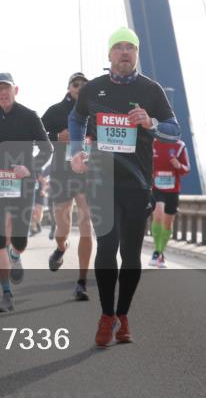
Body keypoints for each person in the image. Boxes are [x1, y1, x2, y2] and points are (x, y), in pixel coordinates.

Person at [68, 27, 179, 347]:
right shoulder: (93, 89)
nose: (125, 53)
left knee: (131, 254)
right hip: (102, 180)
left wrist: (151, 122)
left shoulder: (152, 90)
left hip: (138, 183)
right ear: (109, 54)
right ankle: (106, 315)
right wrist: (76, 150)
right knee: (107, 246)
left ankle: (124, 314)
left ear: (137, 54)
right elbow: (77, 119)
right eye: (118, 47)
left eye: (130, 47)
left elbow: (175, 129)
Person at [0, 73, 52, 313]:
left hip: (23, 182)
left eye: (7, 88)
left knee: (19, 239)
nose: (3, 92)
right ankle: (6, 294)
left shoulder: (29, 116)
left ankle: (16, 254)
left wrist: (31, 168)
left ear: (16, 89)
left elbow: (47, 149)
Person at [42, 72, 94, 300]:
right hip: (62, 175)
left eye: (84, 85)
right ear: (69, 87)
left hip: (87, 174)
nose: (80, 88)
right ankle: (61, 248)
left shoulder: (96, 111)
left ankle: (82, 281)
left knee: (86, 223)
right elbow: (37, 135)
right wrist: (55, 135)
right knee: (61, 227)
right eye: (76, 84)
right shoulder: (55, 111)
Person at [148, 132, 190, 268]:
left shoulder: (180, 146)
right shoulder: (151, 144)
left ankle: (160, 252)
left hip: (173, 190)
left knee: (167, 223)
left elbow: (187, 169)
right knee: (158, 215)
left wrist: (178, 166)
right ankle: (156, 252)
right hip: (156, 188)